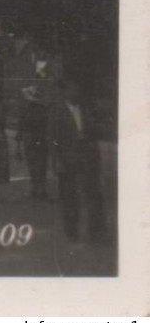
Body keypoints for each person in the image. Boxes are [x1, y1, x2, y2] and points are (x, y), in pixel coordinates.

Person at [50, 77, 107, 243]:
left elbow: (93, 132)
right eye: (72, 90)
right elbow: (52, 138)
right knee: (69, 196)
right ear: (65, 92)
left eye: (78, 90)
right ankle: (71, 230)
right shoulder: (57, 111)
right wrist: (57, 161)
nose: (76, 93)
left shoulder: (85, 109)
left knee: (94, 193)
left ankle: (97, 231)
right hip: (68, 159)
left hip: (88, 158)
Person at [14, 84, 50, 201]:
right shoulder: (44, 109)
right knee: (41, 162)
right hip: (41, 138)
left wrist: (18, 145)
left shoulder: (25, 110)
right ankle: (41, 188)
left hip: (29, 138)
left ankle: (36, 187)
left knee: (33, 162)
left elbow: (21, 127)